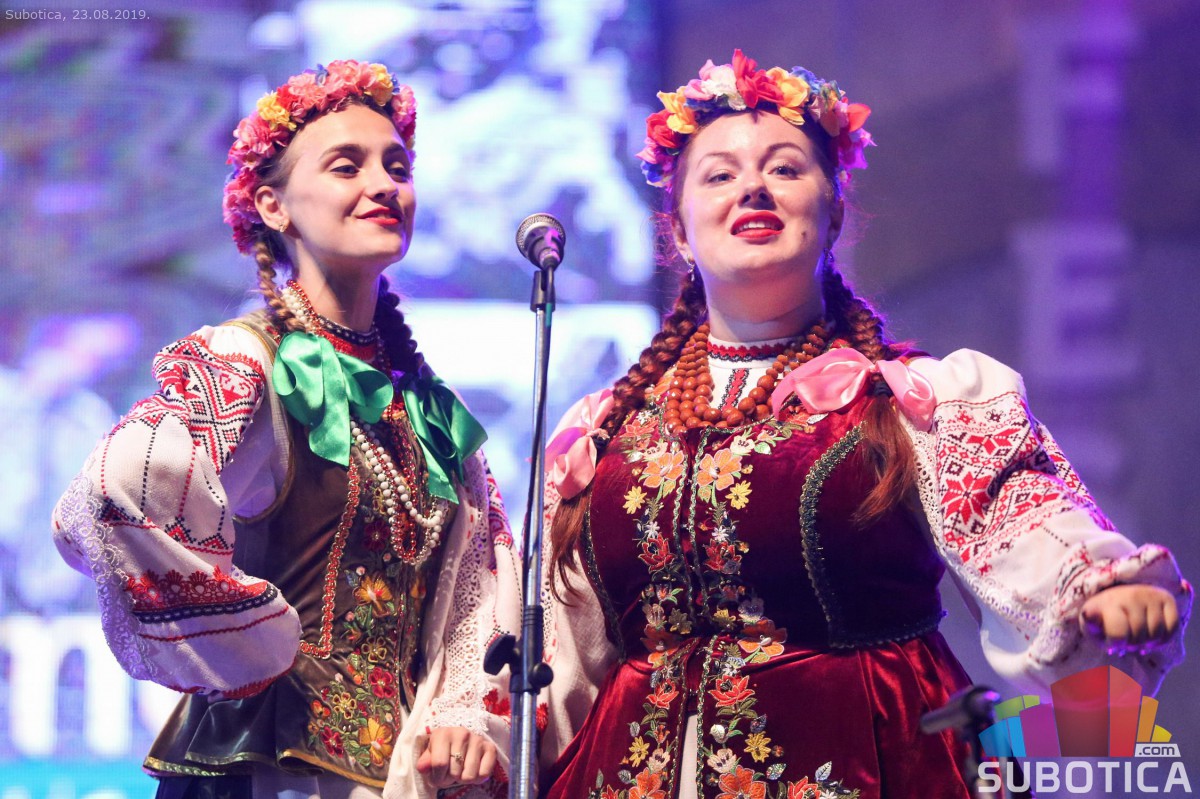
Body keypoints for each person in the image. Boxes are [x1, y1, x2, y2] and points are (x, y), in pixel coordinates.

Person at [535, 50, 1191, 799]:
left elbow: (1019, 513)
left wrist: (1095, 590)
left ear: (835, 214)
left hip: (870, 760)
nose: (753, 187)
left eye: (785, 169)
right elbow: (558, 648)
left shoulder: (911, 400)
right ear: (679, 231)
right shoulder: (607, 432)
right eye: (718, 175)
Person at [51, 60, 517, 799]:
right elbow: (112, 495)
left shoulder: (426, 404)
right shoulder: (252, 363)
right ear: (273, 206)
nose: (384, 185)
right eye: (346, 166)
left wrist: (463, 714)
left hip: (394, 775)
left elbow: (479, 589)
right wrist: (243, 638)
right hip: (266, 768)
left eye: (398, 167)